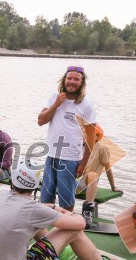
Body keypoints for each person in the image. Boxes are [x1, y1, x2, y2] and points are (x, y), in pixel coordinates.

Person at [0, 161, 136, 260]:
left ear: (13, 180)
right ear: (35, 185)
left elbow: (31, 211)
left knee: (36, 221)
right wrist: (70, 214)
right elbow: (81, 224)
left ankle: (61, 254)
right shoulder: (32, 210)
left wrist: (52, 209)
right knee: (74, 232)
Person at [38, 66, 97, 211]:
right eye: (69, 78)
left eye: (76, 79)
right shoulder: (54, 98)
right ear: (64, 80)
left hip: (69, 159)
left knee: (66, 201)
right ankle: (46, 229)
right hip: (51, 155)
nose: (72, 82)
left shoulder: (86, 106)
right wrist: (56, 104)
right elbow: (40, 121)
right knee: (45, 199)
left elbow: (91, 138)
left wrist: (83, 163)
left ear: (82, 83)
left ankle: (67, 228)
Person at [76, 124, 122, 220]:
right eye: (84, 133)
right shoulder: (77, 146)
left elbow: (108, 169)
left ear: (96, 136)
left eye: (88, 134)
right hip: (74, 181)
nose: (84, 135)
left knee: (92, 175)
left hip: (88, 182)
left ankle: (87, 212)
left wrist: (113, 186)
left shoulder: (102, 149)